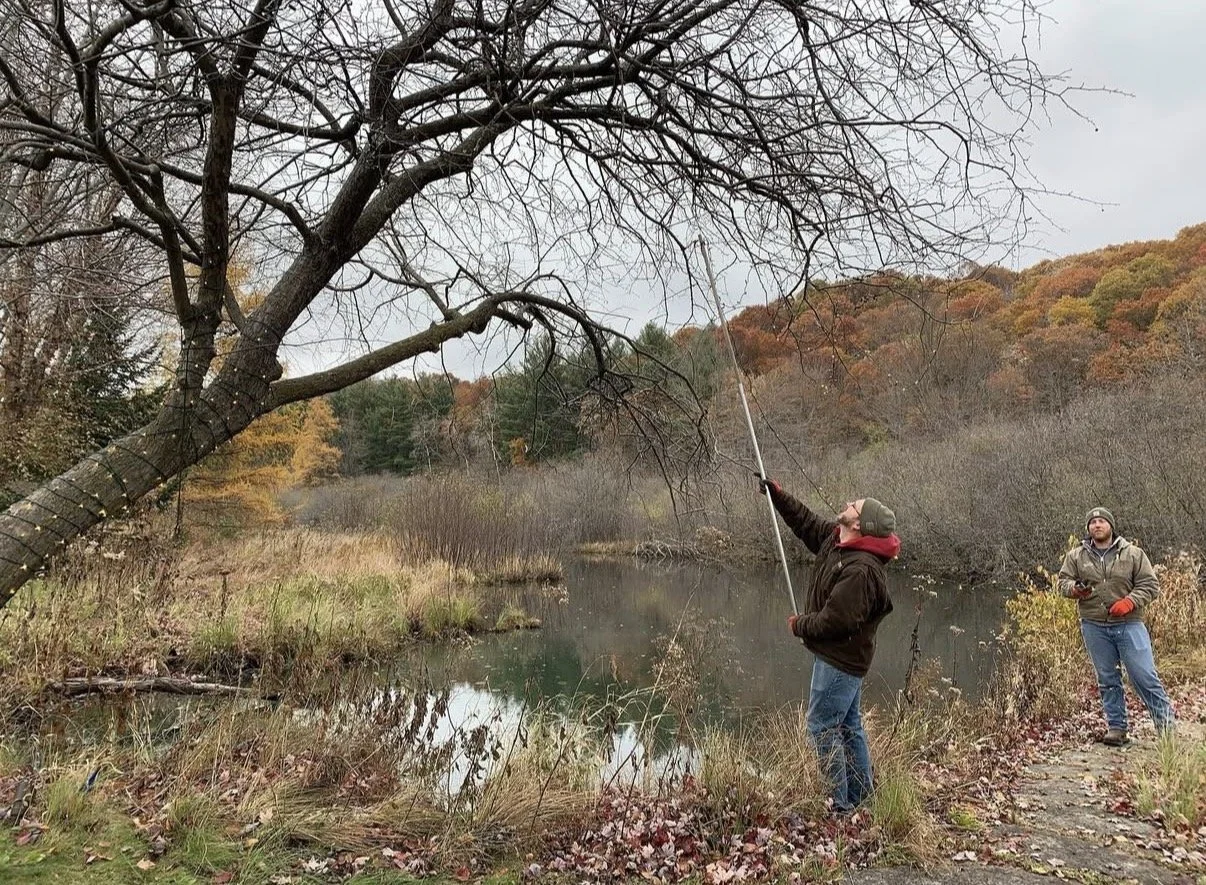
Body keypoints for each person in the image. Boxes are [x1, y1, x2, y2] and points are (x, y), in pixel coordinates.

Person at [757, 476, 899, 812]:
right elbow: (806, 523)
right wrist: (779, 496)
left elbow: (837, 620)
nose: (848, 503)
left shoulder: (861, 570)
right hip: (843, 660)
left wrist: (800, 625)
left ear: (860, 524)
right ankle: (862, 800)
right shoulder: (839, 542)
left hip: (840, 662)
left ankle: (840, 805)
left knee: (822, 727)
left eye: (855, 506)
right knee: (849, 727)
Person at [1058, 507, 1174, 746]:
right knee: (1107, 678)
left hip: (1129, 624)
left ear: (1110, 525)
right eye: (1093, 522)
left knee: (1143, 676)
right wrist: (1075, 590)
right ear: (1088, 528)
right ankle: (1117, 728)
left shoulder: (1133, 554)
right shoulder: (1076, 556)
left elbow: (1150, 585)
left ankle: (1167, 728)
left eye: (1101, 521)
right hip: (1094, 626)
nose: (1097, 525)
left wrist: (1129, 602)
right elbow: (1062, 583)